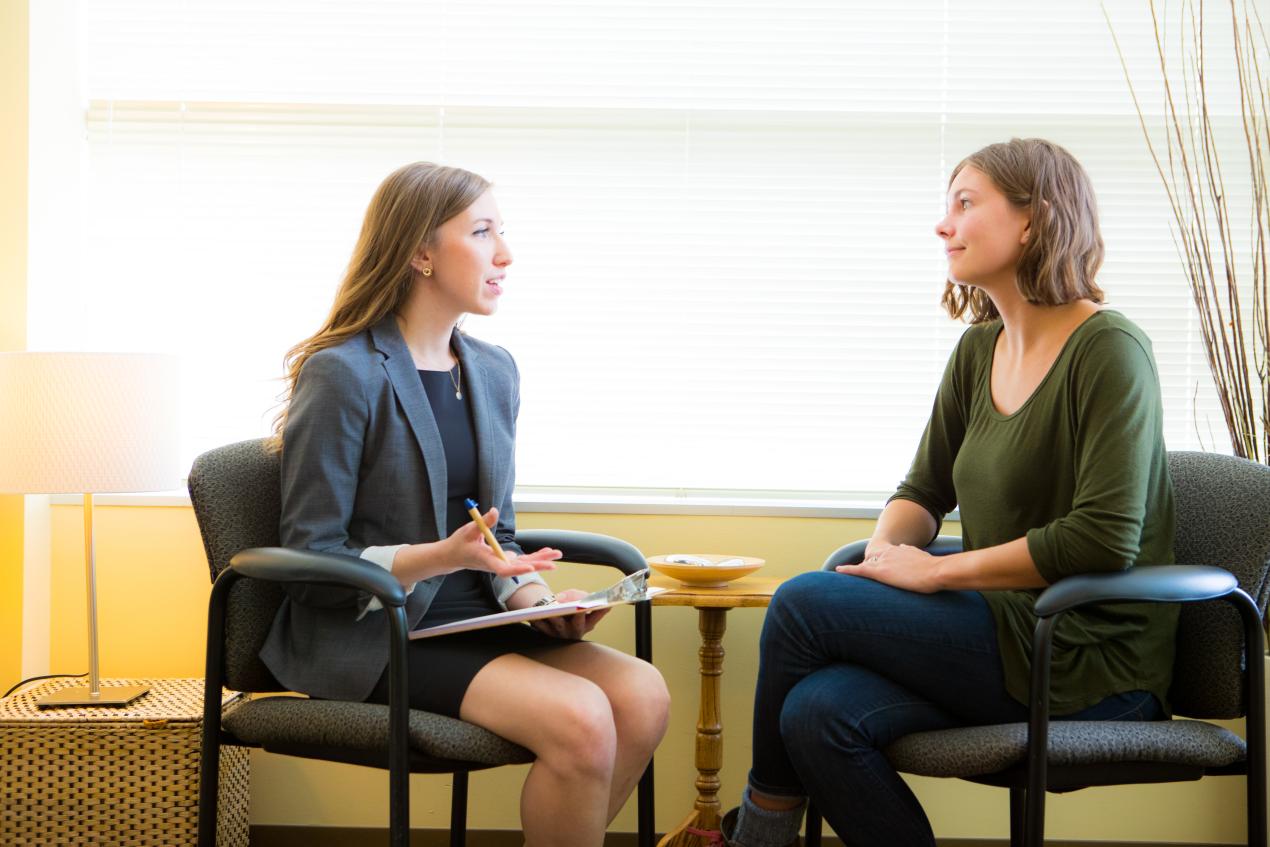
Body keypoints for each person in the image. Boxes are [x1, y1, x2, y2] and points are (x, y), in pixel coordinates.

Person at [723, 138, 1177, 847]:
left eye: (965, 203)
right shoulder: (977, 351)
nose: (944, 225)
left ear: (1034, 220)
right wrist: (885, 554)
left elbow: (1103, 537)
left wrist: (933, 571)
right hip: (999, 630)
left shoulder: (1110, 349)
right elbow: (922, 490)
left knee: (802, 601)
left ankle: (757, 833)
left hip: (1086, 651)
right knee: (814, 712)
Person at [264, 162, 670, 847]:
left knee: (642, 695)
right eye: (482, 232)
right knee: (582, 720)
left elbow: (496, 530)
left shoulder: (492, 369)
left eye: (502, 232)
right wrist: (436, 557)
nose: (505, 254)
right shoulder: (342, 371)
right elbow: (308, 557)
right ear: (420, 252)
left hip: (476, 619)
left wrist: (536, 600)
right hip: (383, 633)